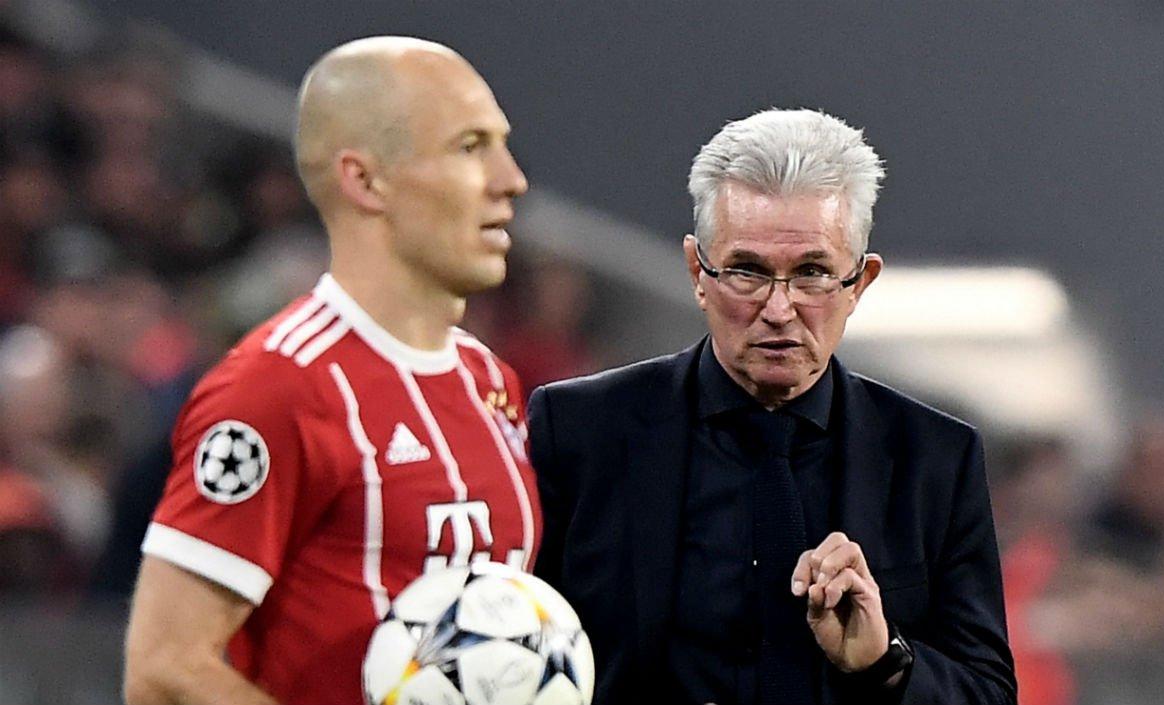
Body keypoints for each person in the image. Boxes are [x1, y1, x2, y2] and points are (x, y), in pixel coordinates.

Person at [529, 109, 1016, 705]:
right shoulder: (576, 432)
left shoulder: (936, 459)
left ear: (860, 283)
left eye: (812, 273)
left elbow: (988, 692)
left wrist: (884, 658)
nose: (779, 309)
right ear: (696, 273)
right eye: (747, 271)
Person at [123, 36, 535, 705]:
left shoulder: (491, 381)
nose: (510, 177)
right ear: (363, 180)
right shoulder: (278, 386)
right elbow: (164, 669)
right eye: (470, 146)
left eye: (502, 143)